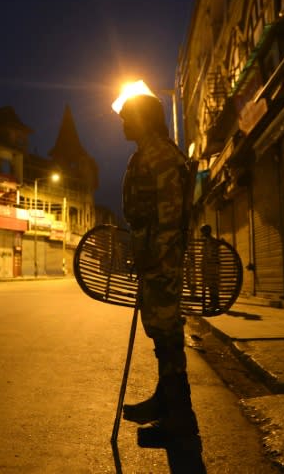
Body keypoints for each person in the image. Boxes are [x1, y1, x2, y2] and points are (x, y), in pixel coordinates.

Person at [113, 82, 205, 469]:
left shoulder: (161, 156)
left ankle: (180, 421)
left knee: (167, 336)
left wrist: (153, 259)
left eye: (126, 117)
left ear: (143, 119)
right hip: (155, 259)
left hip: (162, 261)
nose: (121, 125)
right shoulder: (147, 154)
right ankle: (167, 405)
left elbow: (167, 217)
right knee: (163, 337)